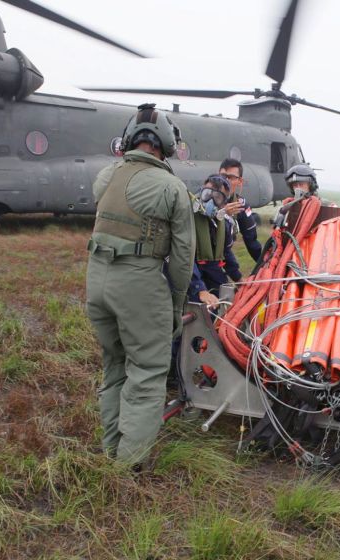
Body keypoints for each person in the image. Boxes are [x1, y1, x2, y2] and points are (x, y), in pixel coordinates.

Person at [86, 103, 195, 467]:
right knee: (147, 372)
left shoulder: (106, 176)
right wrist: (177, 307)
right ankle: (129, 466)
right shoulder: (172, 188)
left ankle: (111, 449)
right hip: (138, 284)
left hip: (97, 281)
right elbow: (182, 258)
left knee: (115, 365)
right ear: (166, 142)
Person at [189, 174, 242, 307]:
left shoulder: (224, 223)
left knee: (226, 301)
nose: (210, 200)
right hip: (189, 272)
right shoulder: (186, 216)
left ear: (224, 203)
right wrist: (200, 289)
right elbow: (183, 255)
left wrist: (239, 279)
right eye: (207, 194)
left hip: (211, 269)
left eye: (217, 197)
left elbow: (225, 252)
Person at [219, 158, 263, 263]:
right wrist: (221, 213)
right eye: (223, 176)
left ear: (240, 181)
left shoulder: (240, 205)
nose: (226, 181)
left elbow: (251, 241)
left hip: (221, 256)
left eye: (231, 177)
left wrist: (265, 265)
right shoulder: (205, 197)